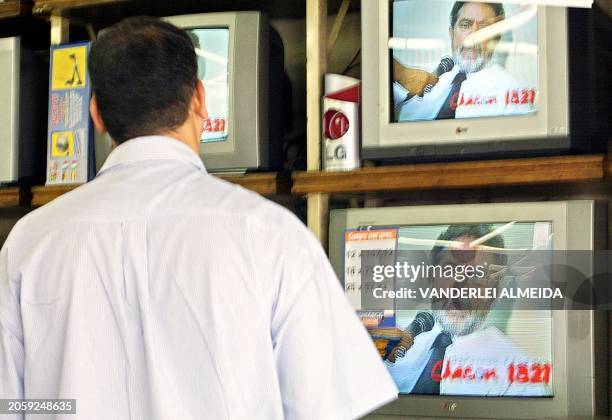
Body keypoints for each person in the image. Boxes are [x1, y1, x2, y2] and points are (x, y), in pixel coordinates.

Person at [0, 17, 397, 419]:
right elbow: (324, 407)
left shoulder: (29, 242)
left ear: (96, 114)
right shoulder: (270, 234)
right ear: (200, 100)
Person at [379, 225, 547, 397]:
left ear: (495, 292)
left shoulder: (519, 372)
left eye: (477, 274)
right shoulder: (395, 337)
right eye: (449, 270)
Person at [393, 1, 535, 121]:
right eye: (465, 25)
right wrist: (400, 73)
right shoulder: (422, 74)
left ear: (496, 38)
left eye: (484, 27)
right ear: (451, 34)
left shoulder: (511, 91)